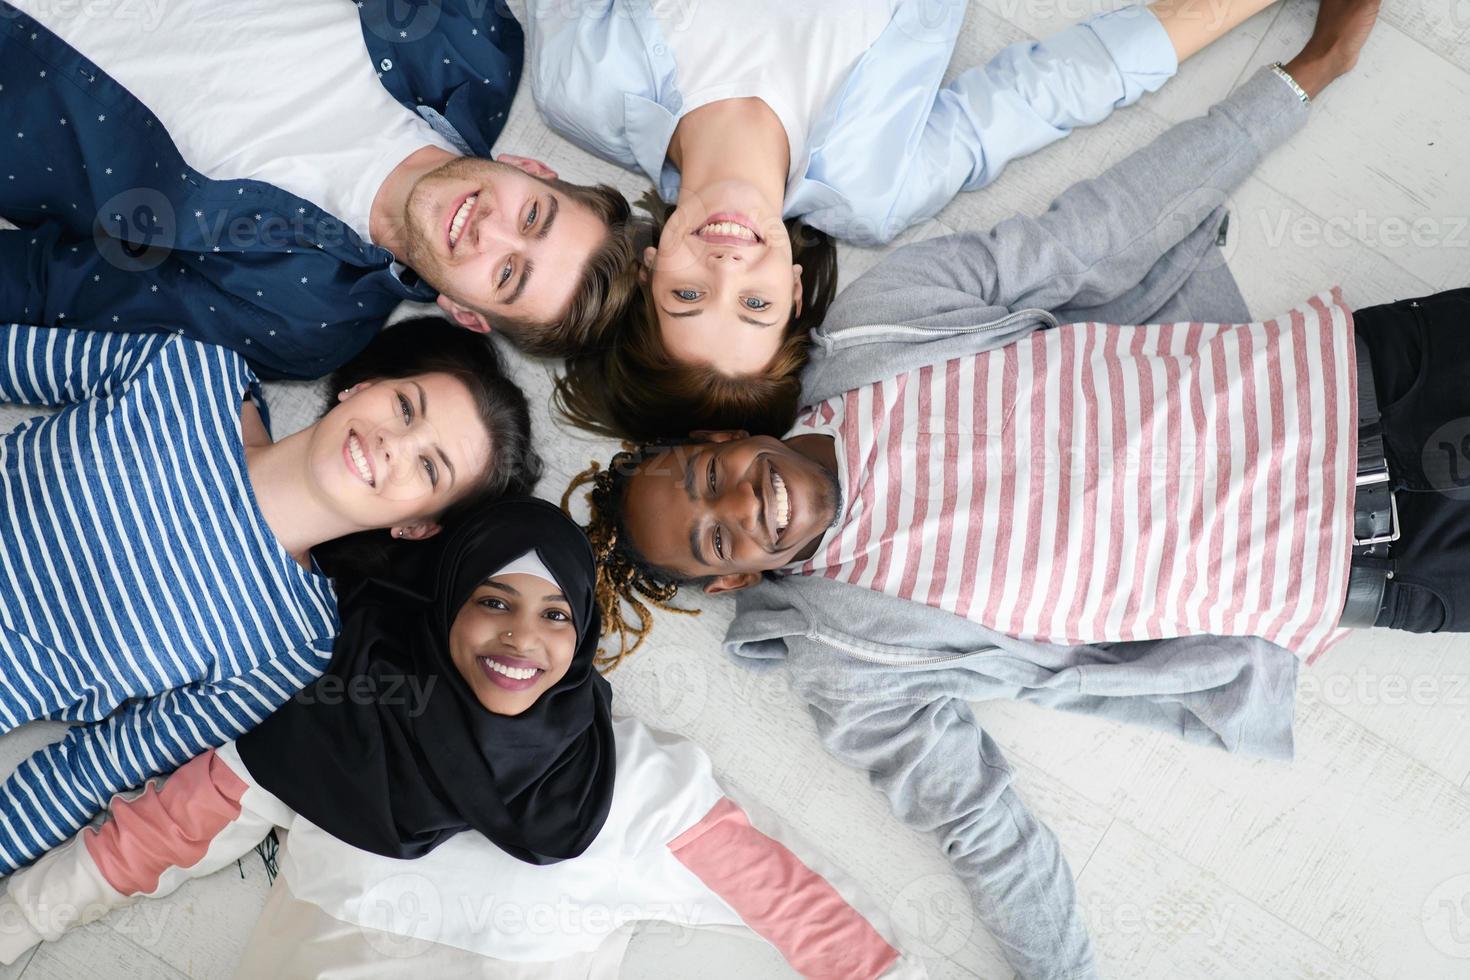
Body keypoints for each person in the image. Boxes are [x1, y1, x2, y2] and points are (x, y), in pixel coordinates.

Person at [564, 3, 1386, 976]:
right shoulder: (855, 665)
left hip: (1368, 373)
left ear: (722, 435)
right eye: (714, 540)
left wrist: (1303, 76)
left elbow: (1100, 226)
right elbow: (984, 829)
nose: (740, 505)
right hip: (1370, 563)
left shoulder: (886, 328)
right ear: (736, 580)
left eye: (710, 477)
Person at [0, 502, 925, 980]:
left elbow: (804, 911)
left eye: (556, 614)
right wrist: (17, 923)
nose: (521, 639)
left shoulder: (637, 785)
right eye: (491, 601)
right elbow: (151, 840)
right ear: (443, 604)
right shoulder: (339, 719)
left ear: (584, 640)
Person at [539, 0, 1295, 438]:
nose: (727, 268)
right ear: (796, 291)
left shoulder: (584, 88)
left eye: (688, 296)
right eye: (756, 305)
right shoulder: (875, 186)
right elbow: (1055, 89)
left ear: (647, 267)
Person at [0, 314, 538, 875]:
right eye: (405, 407)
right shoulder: (193, 373)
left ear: (417, 525)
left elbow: (96, 769)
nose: (392, 443)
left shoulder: (293, 644)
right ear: (363, 387)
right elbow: (12, 358)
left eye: (429, 467)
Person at [0, 0, 638, 379]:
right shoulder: (472, 40)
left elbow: (58, 290)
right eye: (532, 216)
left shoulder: (301, 322)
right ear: (536, 168)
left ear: (465, 314)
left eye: (506, 274)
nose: (488, 229)